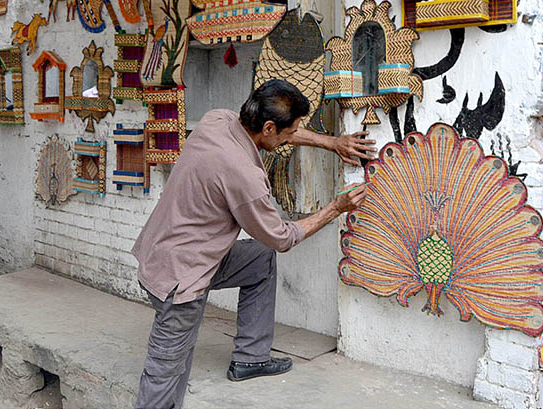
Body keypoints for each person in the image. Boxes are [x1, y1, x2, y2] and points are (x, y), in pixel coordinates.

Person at [132, 79, 375, 409]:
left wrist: (334, 143)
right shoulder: (244, 176)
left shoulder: (217, 120)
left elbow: (285, 131)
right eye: (287, 135)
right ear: (269, 128)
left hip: (165, 249)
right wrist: (336, 208)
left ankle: (251, 358)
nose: (291, 139)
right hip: (179, 277)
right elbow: (281, 237)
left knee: (258, 259)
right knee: (166, 373)